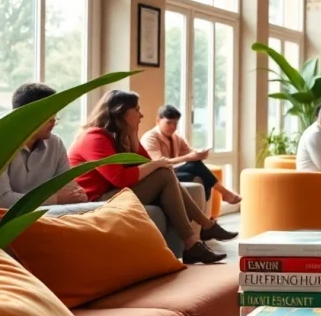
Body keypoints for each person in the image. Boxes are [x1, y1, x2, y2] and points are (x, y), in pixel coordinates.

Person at [69, 90, 236, 265]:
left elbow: (145, 164)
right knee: (164, 174)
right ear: (121, 112)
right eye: (136, 110)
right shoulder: (94, 137)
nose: (141, 115)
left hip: (111, 192)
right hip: (95, 200)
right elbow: (121, 178)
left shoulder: (114, 137)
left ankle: (198, 237)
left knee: (165, 173)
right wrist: (156, 164)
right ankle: (199, 234)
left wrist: (133, 135)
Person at [0, 83, 88, 208]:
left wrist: (78, 195)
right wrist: (56, 199)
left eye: (55, 114)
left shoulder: (56, 144)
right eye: (49, 114)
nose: (54, 121)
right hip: (8, 223)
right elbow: (2, 200)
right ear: (26, 114)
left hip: (51, 216)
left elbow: (70, 188)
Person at [141, 105, 242, 205]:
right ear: (158, 121)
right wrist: (190, 157)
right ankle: (224, 193)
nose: (173, 127)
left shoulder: (176, 137)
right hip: (158, 176)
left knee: (198, 173)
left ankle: (203, 210)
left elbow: (189, 152)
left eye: (175, 123)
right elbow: (159, 162)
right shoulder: (150, 138)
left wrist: (199, 154)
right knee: (195, 166)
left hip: (172, 172)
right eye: (169, 123)